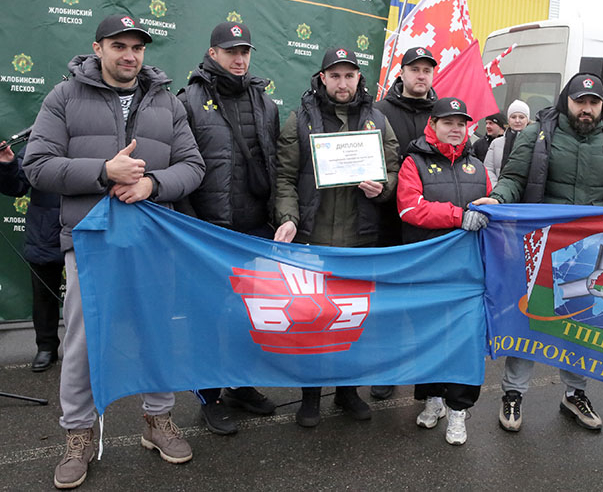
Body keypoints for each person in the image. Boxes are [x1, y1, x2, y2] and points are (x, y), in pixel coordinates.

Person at [22, 14, 205, 489]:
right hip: (91, 243)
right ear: (97, 47)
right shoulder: (64, 97)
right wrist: (105, 172)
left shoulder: (167, 101)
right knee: (83, 346)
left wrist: (151, 183)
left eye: (137, 47)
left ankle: (157, 421)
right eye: (118, 45)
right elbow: (38, 167)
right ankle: (79, 435)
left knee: (157, 336)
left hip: (153, 242)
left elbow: (193, 166)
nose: (129, 55)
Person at [472, 73, 603, 434]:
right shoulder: (539, 132)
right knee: (532, 317)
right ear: (567, 101)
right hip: (542, 242)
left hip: (593, 247)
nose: (586, 109)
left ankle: (574, 393)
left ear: (601, 106)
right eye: (580, 101)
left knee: (581, 320)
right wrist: (498, 199)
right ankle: (513, 394)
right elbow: (514, 178)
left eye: (593, 103)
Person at [273, 47, 400, 427]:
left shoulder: (376, 120)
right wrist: (289, 218)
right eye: (335, 76)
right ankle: (311, 395)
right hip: (314, 240)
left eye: (349, 75)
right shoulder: (300, 119)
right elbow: (284, 178)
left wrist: (383, 188)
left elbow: (394, 173)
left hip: (360, 242)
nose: (342, 83)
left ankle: (348, 391)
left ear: (359, 78)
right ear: (322, 78)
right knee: (312, 320)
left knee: (353, 321)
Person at [177, 22, 279, 435]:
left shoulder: (266, 102)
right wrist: (190, 228)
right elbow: (179, 167)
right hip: (208, 234)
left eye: (245, 51)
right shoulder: (188, 100)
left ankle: (240, 384)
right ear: (212, 53)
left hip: (254, 230)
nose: (239, 59)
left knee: (246, 316)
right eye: (230, 51)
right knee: (209, 318)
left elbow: (276, 164)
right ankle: (209, 395)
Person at [396, 97, 490, 445]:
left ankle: (458, 410)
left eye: (461, 123)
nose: (455, 129)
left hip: (466, 275)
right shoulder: (413, 162)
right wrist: (457, 216)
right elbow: (410, 208)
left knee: (464, 342)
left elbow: (491, 210)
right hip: (427, 271)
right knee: (429, 336)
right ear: (432, 125)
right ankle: (433, 399)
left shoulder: (478, 166)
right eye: (448, 122)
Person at [371, 46, 438, 398]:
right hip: (387, 222)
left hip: (429, 228)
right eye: (415, 68)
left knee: (426, 304)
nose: (421, 75)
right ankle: (386, 371)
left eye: (427, 69)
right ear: (402, 72)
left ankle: (425, 375)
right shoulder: (379, 111)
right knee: (388, 303)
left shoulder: (442, 114)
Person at [0, 142, 64, 372]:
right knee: (44, 294)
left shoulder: (96, 138)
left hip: (88, 229)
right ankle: (46, 346)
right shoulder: (39, 142)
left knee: (94, 296)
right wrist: (7, 164)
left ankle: (95, 350)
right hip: (45, 232)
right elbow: (16, 186)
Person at [484, 100, 530, 185]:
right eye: (513, 117)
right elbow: (488, 169)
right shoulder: (496, 143)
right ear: (508, 120)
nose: (517, 120)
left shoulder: (534, 142)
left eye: (521, 117)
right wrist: (496, 188)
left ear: (527, 120)